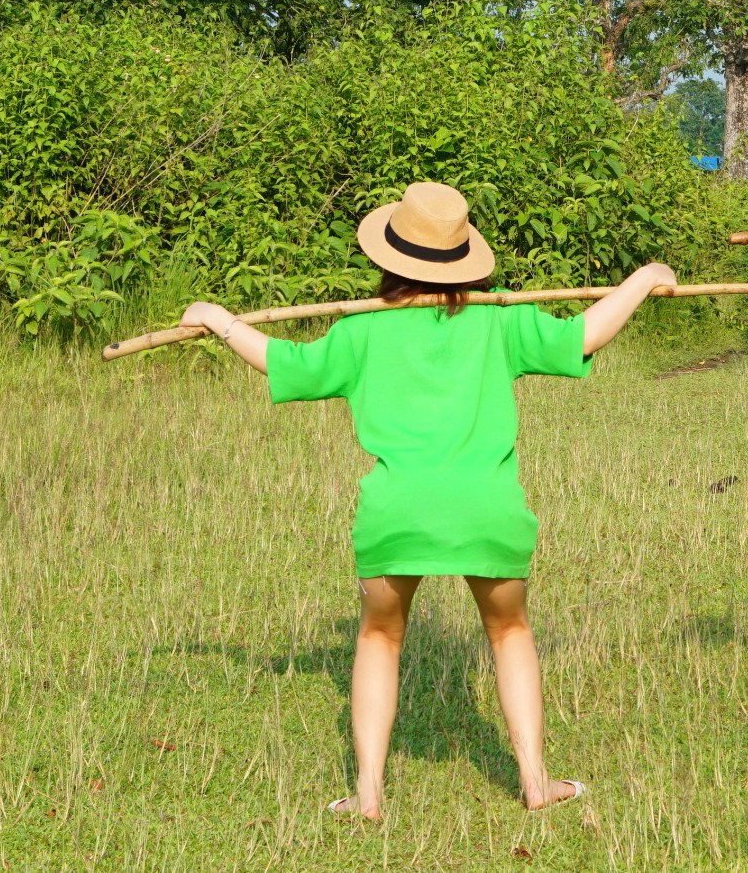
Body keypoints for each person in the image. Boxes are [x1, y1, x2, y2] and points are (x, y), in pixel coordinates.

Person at [180, 181, 675, 819]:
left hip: (397, 510)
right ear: (463, 258)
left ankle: (369, 794)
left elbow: (286, 363)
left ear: (388, 259)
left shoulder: (361, 331)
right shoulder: (502, 319)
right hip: (486, 507)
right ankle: (534, 782)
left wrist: (219, 320)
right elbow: (585, 334)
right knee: (510, 630)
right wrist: (641, 279)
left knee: (380, 636)